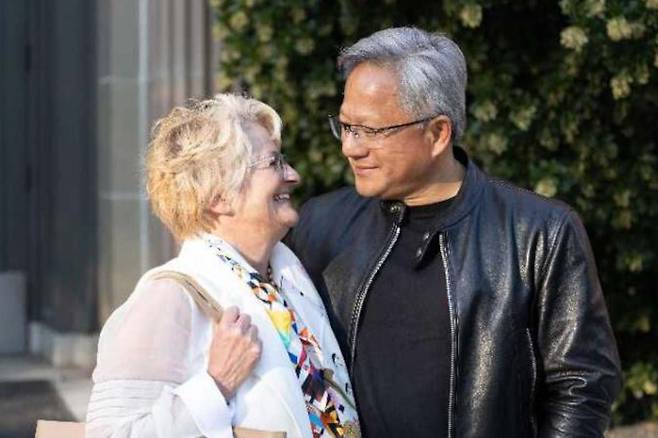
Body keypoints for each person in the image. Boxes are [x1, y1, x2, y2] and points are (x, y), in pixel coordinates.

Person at [285, 27, 621, 437]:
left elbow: (582, 387)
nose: (351, 147)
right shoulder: (320, 225)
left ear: (437, 133)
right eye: (346, 127)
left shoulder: (539, 233)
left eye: (371, 131)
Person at [86, 94, 360, 438]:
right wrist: (217, 384)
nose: (293, 175)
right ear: (219, 196)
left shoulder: (287, 278)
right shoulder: (168, 298)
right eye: (274, 163)